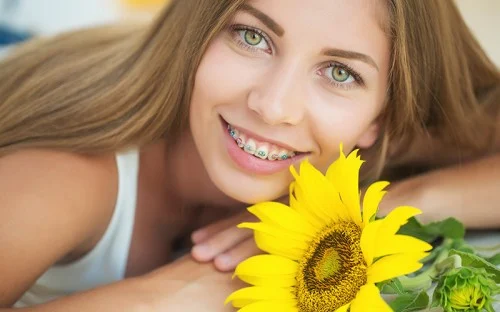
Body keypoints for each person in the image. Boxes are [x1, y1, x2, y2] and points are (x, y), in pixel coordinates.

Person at [0, 0, 498, 310]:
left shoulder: (363, 147)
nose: (274, 106)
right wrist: (178, 293)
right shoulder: (64, 176)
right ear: (197, 37)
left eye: (340, 73)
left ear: (379, 119)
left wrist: (385, 208)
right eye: (252, 37)